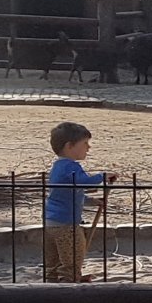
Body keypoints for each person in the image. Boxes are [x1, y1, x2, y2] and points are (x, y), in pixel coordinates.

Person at [43, 121, 115, 283]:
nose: (88, 148)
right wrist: (102, 176)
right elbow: (84, 182)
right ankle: (69, 280)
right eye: (85, 143)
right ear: (69, 146)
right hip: (66, 224)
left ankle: (52, 281)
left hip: (51, 221)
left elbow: (69, 193)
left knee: (55, 259)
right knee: (74, 256)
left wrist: (92, 201)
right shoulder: (71, 167)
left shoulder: (58, 167)